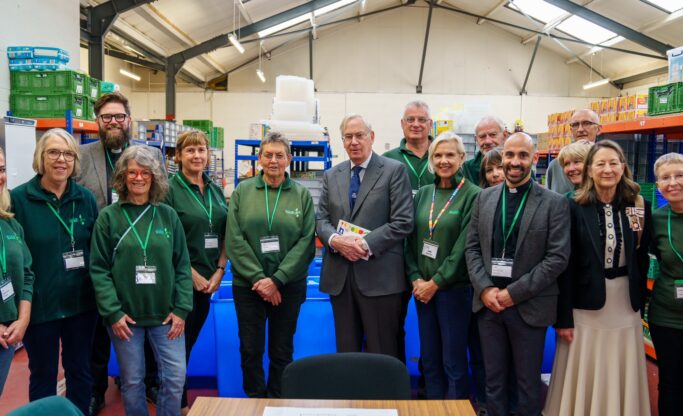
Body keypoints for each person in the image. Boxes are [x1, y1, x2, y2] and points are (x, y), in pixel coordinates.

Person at [465, 133, 570, 416]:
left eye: (522, 156)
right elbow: (472, 249)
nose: (515, 162)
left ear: (534, 159)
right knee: (493, 382)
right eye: (509, 155)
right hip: (489, 307)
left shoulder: (554, 203)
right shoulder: (483, 198)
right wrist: (486, 289)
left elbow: (557, 258)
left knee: (527, 386)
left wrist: (513, 293)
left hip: (529, 306)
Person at [544, 140, 651, 415]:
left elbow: (641, 257)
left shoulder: (638, 205)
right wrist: (563, 318)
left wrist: (640, 302)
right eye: (600, 164)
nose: (607, 169)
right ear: (590, 170)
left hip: (625, 306)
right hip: (584, 307)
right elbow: (564, 267)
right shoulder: (571, 206)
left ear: (623, 167)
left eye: (613, 163)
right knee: (585, 367)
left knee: (620, 365)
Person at [77, 92, 164, 415]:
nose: (113, 122)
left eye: (119, 117)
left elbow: (162, 202)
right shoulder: (81, 156)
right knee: (99, 330)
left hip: (142, 258)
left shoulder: (149, 155)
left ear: (129, 120)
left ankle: (151, 382)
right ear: (97, 122)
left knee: (149, 323)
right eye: (106, 117)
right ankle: (96, 390)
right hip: (98, 256)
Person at [90, 146, 192, 416]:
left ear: (155, 177)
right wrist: (113, 312)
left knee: (175, 377)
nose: (138, 178)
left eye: (145, 172)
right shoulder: (108, 218)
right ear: (122, 177)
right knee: (133, 381)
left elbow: (182, 265)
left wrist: (181, 309)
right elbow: (99, 269)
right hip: (126, 320)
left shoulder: (167, 216)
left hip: (167, 318)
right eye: (132, 172)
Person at [10, 129, 99, 414]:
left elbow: (97, 251)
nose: (62, 160)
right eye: (53, 152)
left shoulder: (85, 198)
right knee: (43, 376)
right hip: (40, 308)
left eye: (68, 154)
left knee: (80, 372)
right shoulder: (19, 200)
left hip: (81, 305)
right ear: (41, 157)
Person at [316, 114, 413, 360]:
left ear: (372, 137)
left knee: (382, 352)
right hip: (341, 278)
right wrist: (336, 241)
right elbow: (321, 220)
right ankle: (350, 399)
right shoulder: (332, 175)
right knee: (346, 354)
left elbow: (403, 221)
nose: (354, 141)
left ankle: (383, 400)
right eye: (348, 137)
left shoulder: (393, 171)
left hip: (380, 278)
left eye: (360, 135)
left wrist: (363, 244)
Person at [226, 132, 315, 398]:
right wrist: (259, 279)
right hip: (248, 286)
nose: (274, 160)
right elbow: (234, 239)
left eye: (279, 155)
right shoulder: (243, 191)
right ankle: (255, 400)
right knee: (250, 349)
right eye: (268, 155)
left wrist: (276, 280)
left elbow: (306, 241)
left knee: (281, 350)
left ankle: (278, 401)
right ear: (259, 158)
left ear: (289, 159)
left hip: (287, 286)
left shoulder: (301, 195)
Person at [404, 132, 480, 399]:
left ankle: (454, 407)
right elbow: (410, 241)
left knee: (453, 360)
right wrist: (415, 278)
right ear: (431, 160)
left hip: (453, 290)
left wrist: (435, 282)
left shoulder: (473, 195)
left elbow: (463, 248)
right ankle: (433, 407)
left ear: (462, 158)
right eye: (438, 155)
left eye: (450, 155)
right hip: (422, 290)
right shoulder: (424, 194)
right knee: (430, 358)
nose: (444, 160)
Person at [165, 130, 228, 411]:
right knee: (176, 349)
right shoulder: (168, 190)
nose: (197, 156)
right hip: (179, 283)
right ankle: (178, 405)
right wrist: (192, 275)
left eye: (201, 150)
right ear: (178, 156)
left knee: (187, 345)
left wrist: (220, 270)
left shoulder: (214, 189)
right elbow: (162, 240)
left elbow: (227, 232)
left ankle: (176, 400)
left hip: (208, 283)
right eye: (190, 150)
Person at [645, 153, 683, 416]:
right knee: (671, 383)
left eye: (679, 175)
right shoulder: (656, 219)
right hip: (666, 317)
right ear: (657, 184)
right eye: (665, 178)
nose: (673, 182)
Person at [0, 147, 34, 398]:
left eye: (1, 169)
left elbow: (27, 274)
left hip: (8, 336)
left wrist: (22, 320)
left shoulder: (10, 224)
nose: (0, 176)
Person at [383, 101, 436, 193]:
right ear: (402, 123)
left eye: (422, 120)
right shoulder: (387, 159)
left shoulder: (444, 157)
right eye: (410, 119)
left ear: (430, 124)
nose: (416, 124)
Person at [546, 109, 601, 194]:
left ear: (598, 129)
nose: (580, 129)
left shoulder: (606, 163)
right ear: (571, 130)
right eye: (575, 125)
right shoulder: (556, 166)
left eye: (586, 123)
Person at [462, 116, 508, 185]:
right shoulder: (467, 169)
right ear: (476, 140)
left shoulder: (517, 164)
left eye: (493, 135)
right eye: (482, 136)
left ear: (505, 135)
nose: (487, 141)